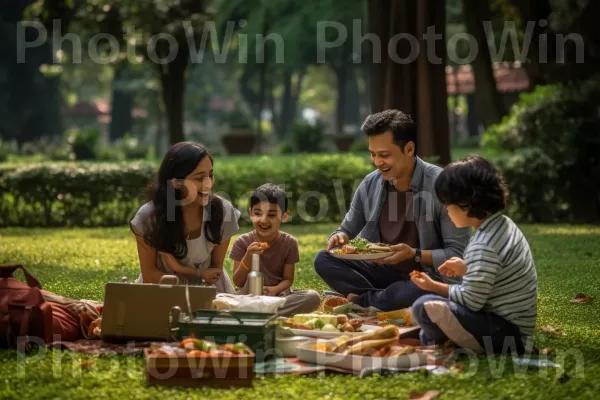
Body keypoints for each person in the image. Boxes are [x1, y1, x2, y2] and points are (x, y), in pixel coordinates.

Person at [314, 109, 470, 311]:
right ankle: (379, 299)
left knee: (410, 291)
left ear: (409, 149)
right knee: (324, 259)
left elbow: (457, 254)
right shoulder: (370, 184)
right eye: (373, 154)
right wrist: (340, 236)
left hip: (427, 277)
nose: (378, 162)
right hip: (383, 272)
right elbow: (346, 228)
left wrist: (414, 254)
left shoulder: (442, 185)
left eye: (385, 155)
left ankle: (365, 300)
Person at [410, 155, 537, 354]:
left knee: (422, 307)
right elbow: (499, 271)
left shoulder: (483, 245)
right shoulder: (503, 225)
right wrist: (467, 267)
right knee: (429, 320)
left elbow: (471, 301)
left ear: (465, 204)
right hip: (514, 327)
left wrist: (433, 286)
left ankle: (448, 343)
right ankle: (444, 338)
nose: (445, 209)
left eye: (447, 203)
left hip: (506, 333)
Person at [130, 142, 240, 293]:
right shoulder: (149, 217)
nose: (208, 183)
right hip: (162, 290)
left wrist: (180, 269)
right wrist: (196, 275)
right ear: (176, 183)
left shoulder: (223, 212)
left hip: (208, 291)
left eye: (210, 175)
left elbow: (215, 272)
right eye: (199, 177)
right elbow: (150, 275)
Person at [229, 183, 321, 316]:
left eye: (271, 215)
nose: (263, 220)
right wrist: (248, 257)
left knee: (312, 297)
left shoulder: (289, 243)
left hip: (278, 297)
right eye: (257, 213)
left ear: (284, 216)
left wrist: (275, 290)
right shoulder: (242, 242)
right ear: (250, 213)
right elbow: (238, 282)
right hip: (249, 296)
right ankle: (266, 314)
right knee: (231, 298)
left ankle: (259, 314)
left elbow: (288, 279)